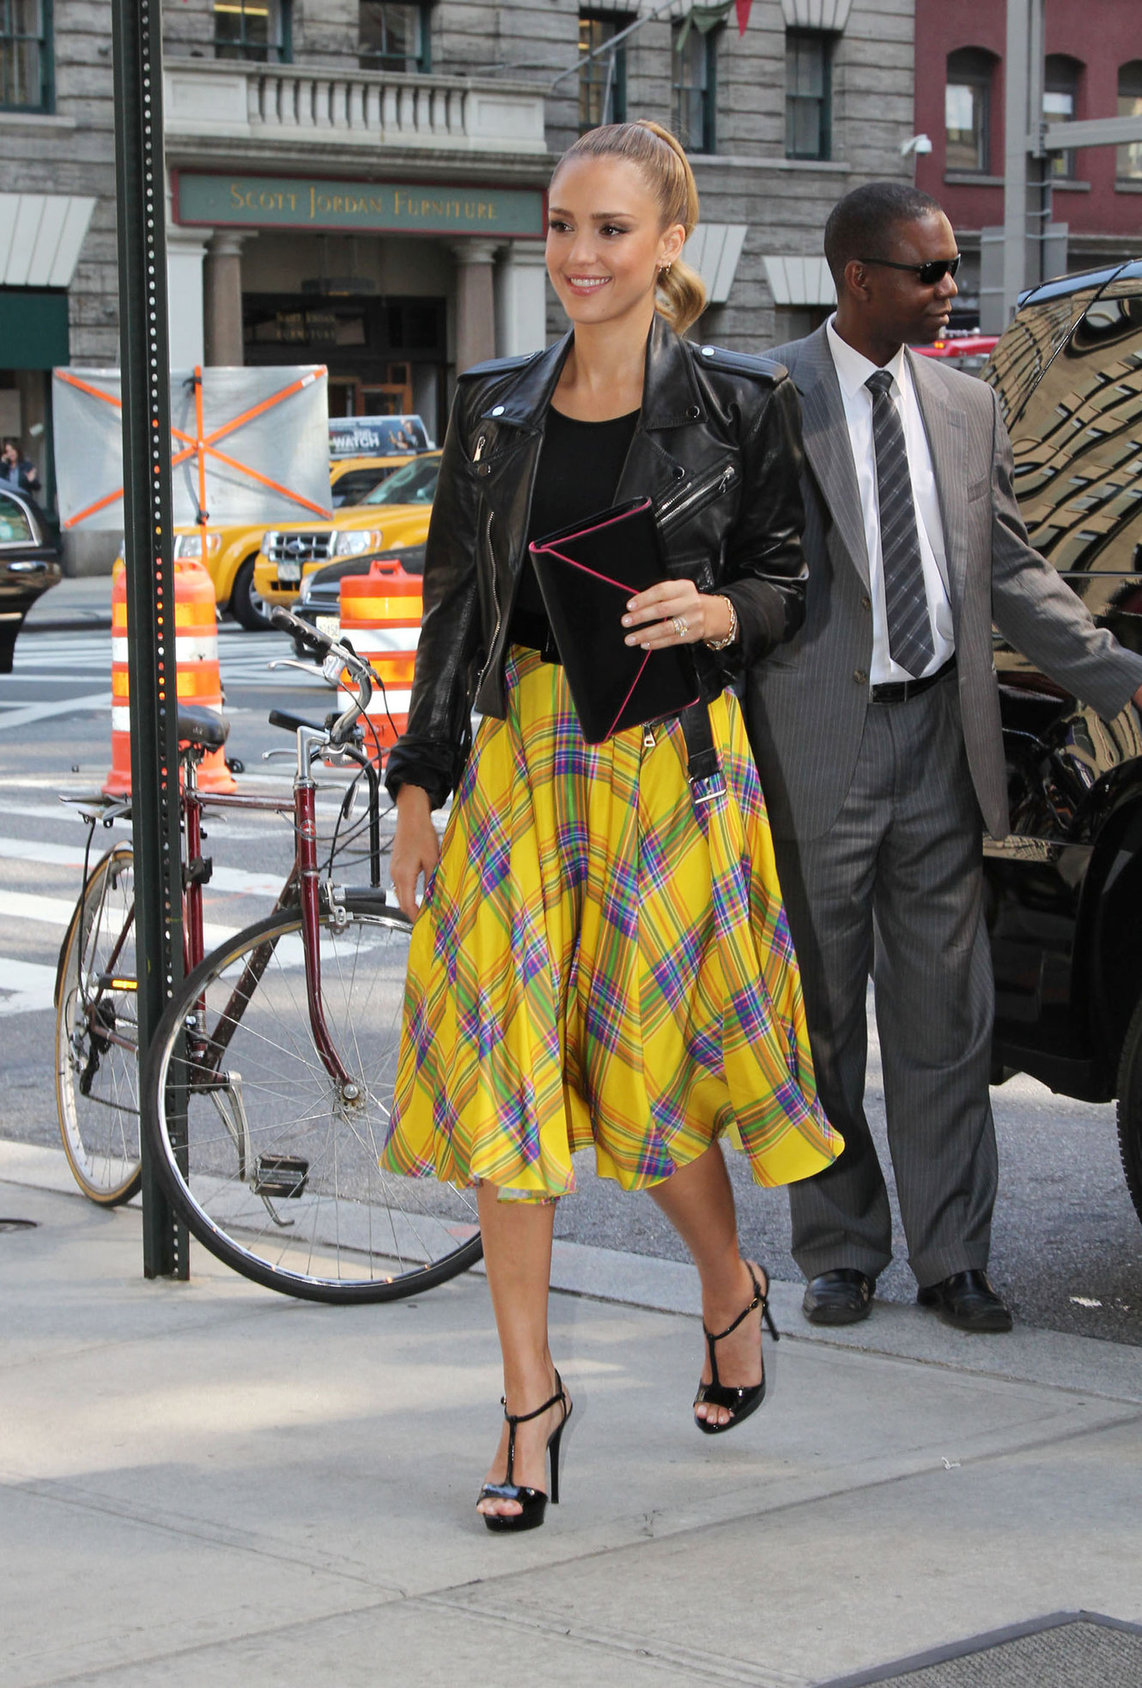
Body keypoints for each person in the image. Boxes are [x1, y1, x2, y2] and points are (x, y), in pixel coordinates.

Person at [383, 120, 843, 1531]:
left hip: (659, 769)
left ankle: (726, 1284)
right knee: (501, 1083)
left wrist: (718, 611)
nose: (577, 254)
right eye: (561, 224)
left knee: (650, 1093)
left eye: (609, 230)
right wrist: (418, 782)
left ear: (666, 246)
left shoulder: (737, 403)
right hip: (520, 769)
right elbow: (456, 605)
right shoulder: (492, 406)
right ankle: (530, 1398)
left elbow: (791, 580)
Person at [746, 182, 1142, 1334]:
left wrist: (1121, 674)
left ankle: (954, 1256)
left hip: (938, 737)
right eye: (928, 273)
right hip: (813, 745)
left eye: (950, 269)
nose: (949, 289)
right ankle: (837, 1249)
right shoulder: (766, 397)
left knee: (946, 1017)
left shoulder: (969, 404)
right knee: (818, 1017)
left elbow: (1010, 570)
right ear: (858, 279)